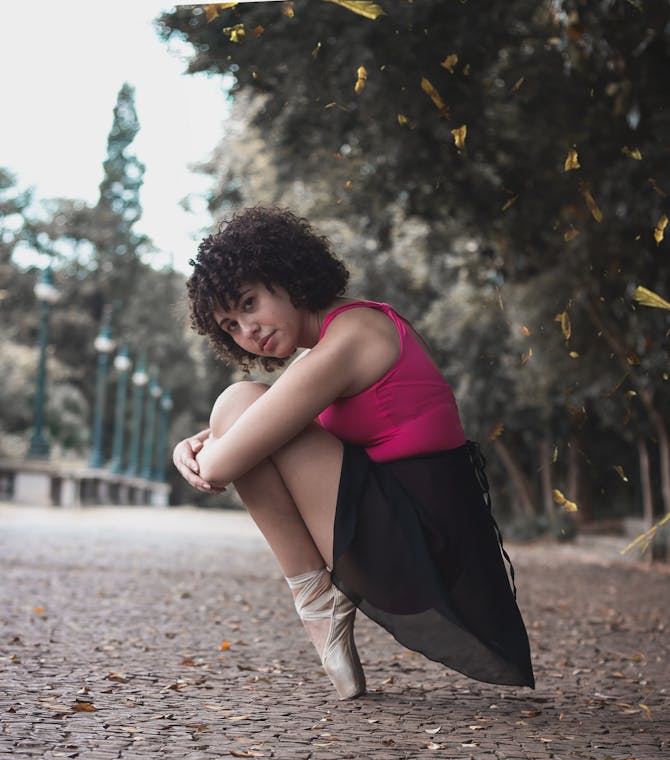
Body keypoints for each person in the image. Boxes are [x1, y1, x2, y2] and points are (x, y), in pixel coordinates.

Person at [173, 206, 535, 700]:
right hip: (410, 542)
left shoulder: (353, 337)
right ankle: (317, 600)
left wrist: (197, 451)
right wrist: (203, 440)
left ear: (286, 274)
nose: (248, 331)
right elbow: (257, 431)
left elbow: (219, 467)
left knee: (237, 400)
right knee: (242, 407)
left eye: (249, 303)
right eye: (231, 326)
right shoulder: (344, 334)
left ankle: (314, 599)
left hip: (420, 549)